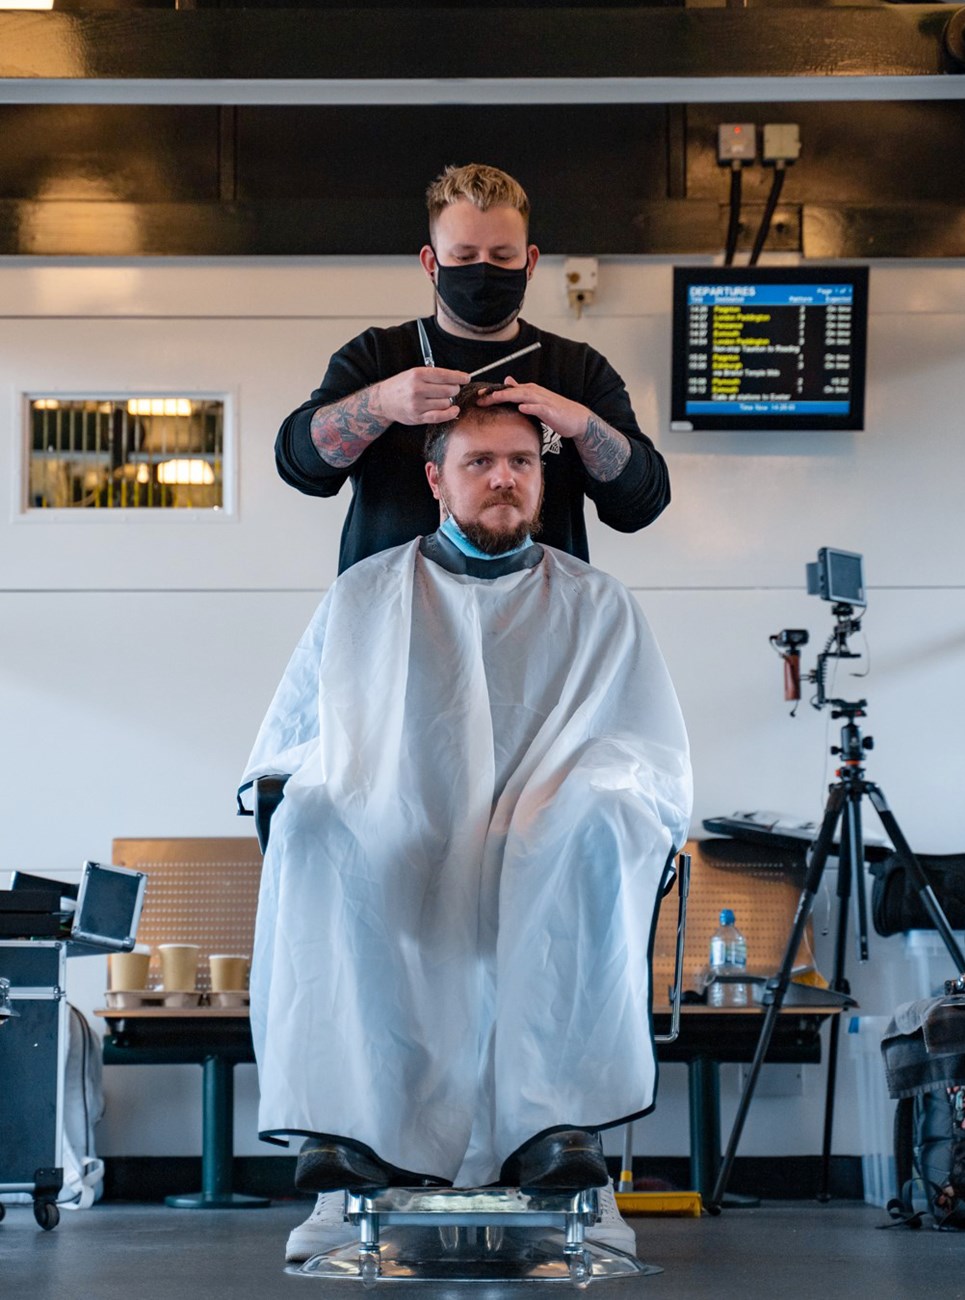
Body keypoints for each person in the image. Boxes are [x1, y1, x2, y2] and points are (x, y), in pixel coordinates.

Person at [243, 387, 691, 1263]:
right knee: (312, 825)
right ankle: (349, 1138)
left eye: (521, 462)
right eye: (478, 463)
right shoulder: (366, 593)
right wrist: (315, 795)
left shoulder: (599, 603)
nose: (502, 479)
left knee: (598, 822)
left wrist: (565, 807)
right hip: (400, 825)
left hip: (544, 827)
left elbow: (645, 747)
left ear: (542, 481)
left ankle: (561, 1132)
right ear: (436, 481)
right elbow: (296, 734)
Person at [275, 162, 670, 574]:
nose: (483, 272)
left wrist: (583, 425)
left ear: (530, 262)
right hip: (398, 619)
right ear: (431, 263)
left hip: (538, 621)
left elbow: (641, 504)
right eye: (464, 256)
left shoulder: (577, 368)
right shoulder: (378, 355)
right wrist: (380, 404)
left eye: (502, 256)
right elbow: (300, 466)